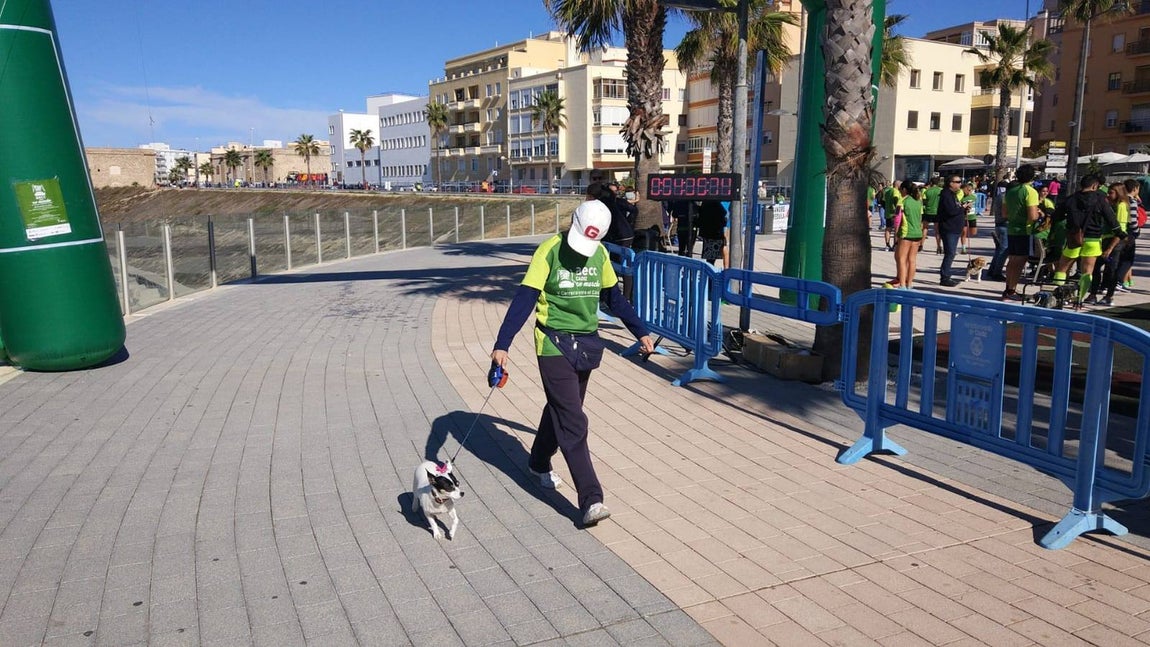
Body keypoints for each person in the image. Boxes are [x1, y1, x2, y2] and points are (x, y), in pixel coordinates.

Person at [490, 200, 654, 528]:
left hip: (587, 344)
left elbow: (613, 297)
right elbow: (525, 297)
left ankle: (537, 463)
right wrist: (502, 343)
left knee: (562, 410)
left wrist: (641, 330)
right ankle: (591, 499)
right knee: (574, 421)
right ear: (573, 223)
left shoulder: (600, 254)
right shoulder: (549, 250)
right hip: (552, 343)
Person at [1052, 174, 1125, 305]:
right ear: (1094, 186)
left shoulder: (1071, 199)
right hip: (1093, 239)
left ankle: (1059, 295)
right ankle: (1079, 299)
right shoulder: (1100, 200)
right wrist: (1120, 233)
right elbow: (1111, 219)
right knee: (1087, 271)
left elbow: (1056, 217)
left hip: (1074, 238)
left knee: (1063, 268)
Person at [1085, 181, 1130, 306]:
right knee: (1096, 267)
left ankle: (1109, 296)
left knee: (1111, 269)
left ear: (1119, 193)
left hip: (1115, 241)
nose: (1108, 195)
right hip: (1105, 239)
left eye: (1111, 193)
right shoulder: (1109, 205)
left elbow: (1119, 230)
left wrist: (1110, 248)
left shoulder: (1121, 206)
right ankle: (1093, 294)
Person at [1001, 165, 1040, 301]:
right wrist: (1039, 214)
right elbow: (1033, 215)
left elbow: (1004, 213)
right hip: (1025, 230)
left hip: (1011, 228)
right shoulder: (1030, 191)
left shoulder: (1010, 191)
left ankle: (1008, 288)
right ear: (1032, 177)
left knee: (1012, 260)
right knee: (1020, 261)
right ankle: (1012, 290)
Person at [893, 180, 924, 289]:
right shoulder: (918, 201)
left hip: (906, 233)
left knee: (901, 259)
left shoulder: (902, 201)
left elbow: (897, 219)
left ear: (904, 190)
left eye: (901, 189)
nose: (900, 191)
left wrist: (896, 234)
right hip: (917, 233)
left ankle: (902, 284)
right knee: (912, 260)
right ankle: (909, 284)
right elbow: (920, 219)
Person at [937, 176, 967, 286]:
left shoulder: (952, 194)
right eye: (958, 182)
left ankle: (946, 275)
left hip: (954, 227)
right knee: (950, 253)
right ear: (951, 183)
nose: (960, 184)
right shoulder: (946, 195)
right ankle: (944, 277)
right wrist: (962, 208)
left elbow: (955, 209)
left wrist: (963, 207)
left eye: (960, 182)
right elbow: (951, 211)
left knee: (951, 253)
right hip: (949, 228)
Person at [986, 177, 1012, 281]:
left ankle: (992, 269)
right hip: (1004, 225)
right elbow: (1006, 213)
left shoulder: (999, 196)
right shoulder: (1006, 198)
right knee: (1004, 250)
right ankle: (996, 272)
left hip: (999, 224)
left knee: (999, 250)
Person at [696, 200, 728, 266]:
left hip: (708, 232)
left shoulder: (706, 203)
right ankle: (712, 273)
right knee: (711, 258)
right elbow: (723, 214)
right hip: (715, 233)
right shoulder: (716, 204)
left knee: (710, 258)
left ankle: (710, 272)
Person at [921, 177, 943, 254]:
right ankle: (938, 247)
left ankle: (921, 245)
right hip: (937, 212)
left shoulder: (927, 191)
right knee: (937, 231)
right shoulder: (940, 191)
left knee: (925, 229)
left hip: (928, 211)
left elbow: (924, 201)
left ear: (931, 183)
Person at [882, 180, 903, 251]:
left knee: (888, 229)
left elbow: (883, 201)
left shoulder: (887, 191)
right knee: (896, 230)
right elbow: (896, 199)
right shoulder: (896, 191)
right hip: (894, 213)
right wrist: (897, 211)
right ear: (897, 185)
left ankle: (887, 245)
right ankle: (895, 245)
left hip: (888, 213)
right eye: (900, 184)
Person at [960, 181, 979, 253]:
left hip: (972, 217)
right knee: (964, 232)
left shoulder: (974, 197)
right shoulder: (961, 197)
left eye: (970, 190)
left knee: (973, 233)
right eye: (967, 190)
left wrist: (970, 204)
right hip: (964, 216)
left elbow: (974, 203)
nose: (968, 191)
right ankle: (963, 247)